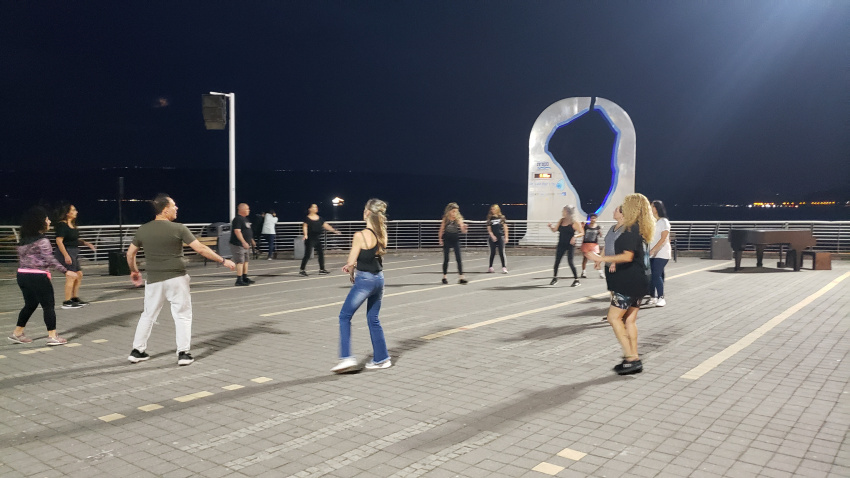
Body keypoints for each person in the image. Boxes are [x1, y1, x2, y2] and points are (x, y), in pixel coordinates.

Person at [126, 194, 236, 365]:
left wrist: (134, 271)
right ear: (165, 209)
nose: (176, 208)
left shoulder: (143, 229)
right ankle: (183, 354)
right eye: (174, 205)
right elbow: (200, 248)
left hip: (154, 279)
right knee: (182, 315)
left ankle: (137, 351)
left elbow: (130, 253)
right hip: (176, 277)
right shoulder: (178, 228)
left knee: (148, 315)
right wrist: (223, 260)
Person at [585, 193, 654, 375]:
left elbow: (627, 256)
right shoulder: (640, 228)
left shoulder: (630, 229)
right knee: (629, 319)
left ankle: (631, 358)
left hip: (628, 280)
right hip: (640, 279)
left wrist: (601, 257)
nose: (620, 207)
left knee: (613, 318)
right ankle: (633, 357)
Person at [331, 199, 392, 373]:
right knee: (373, 319)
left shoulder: (360, 235)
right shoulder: (381, 234)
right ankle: (382, 359)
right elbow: (370, 257)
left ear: (366, 213)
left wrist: (350, 269)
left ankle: (346, 358)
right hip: (379, 279)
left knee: (344, 316)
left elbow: (351, 261)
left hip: (365, 281)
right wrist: (353, 267)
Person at [9, 207, 78, 346]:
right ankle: (52, 336)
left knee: (30, 304)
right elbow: (50, 260)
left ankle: (17, 333)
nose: (49, 221)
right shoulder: (43, 241)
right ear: (40, 222)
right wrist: (66, 271)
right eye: (47, 219)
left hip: (22, 275)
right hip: (38, 277)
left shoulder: (23, 240)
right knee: (48, 306)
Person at [53, 204, 97, 309]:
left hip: (74, 251)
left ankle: (74, 298)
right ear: (67, 213)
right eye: (74, 210)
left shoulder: (72, 225)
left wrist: (86, 243)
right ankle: (67, 302)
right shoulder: (62, 225)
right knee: (71, 275)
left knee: (79, 274)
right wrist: (66, 255)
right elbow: (59, 241)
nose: (76, 212)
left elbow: (73, 240)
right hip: (65, 252)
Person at [300, 203, 341, 276]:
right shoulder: (307, 218)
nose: (316, 208)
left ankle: (322, 269)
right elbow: (305, 227)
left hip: (317, 238)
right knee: (307, 255)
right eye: (314, 207)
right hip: (310, 238)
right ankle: (302, 270)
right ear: (310, 209)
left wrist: (334, 231)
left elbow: (326, 225)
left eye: (316, 207)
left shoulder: (320, 218)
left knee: (321, 253)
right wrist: (305, 235)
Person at [548, 205, 583, 286]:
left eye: (563, 211)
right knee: (557, 261)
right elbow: (554, 230)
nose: (562, 212)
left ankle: (576, 280)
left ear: (567, 212)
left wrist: (575, 237)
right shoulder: (561, 220)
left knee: (570, 262)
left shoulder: (574, 222)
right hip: (561, 243)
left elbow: (581, 232)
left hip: (570, 245)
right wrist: (550, 226)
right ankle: (555, 278)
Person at [600, 205, 625, 320]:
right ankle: (614, 312)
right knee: (612, 289)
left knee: (619, 289)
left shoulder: (626, 229)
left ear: (622, 214)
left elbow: (623, 248)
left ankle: (620, 314)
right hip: (608, 264)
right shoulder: (612, 228)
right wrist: (600, 259)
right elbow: (607, 244)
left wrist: (615, 262)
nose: (613, 212)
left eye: (616, 210)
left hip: (618, 264)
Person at [648, 200, 672, 307]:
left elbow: (664, 238)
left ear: (656, 208)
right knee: (653, 274)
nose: (650, 208)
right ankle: (652, 296)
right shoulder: (653, 221)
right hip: (651, 253)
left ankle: (661, 297)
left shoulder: (664, 222)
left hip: (662, 253)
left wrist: (654, 249)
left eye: (652, 206)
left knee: (656, 274)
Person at [438, 202, 469, 284]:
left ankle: (461, 277)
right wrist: (440, 239)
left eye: (456, 211)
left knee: (459, 258)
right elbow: (441, 229)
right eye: (453, 211)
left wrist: (465, 228)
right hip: (447, 239)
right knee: (446, 259)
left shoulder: (459, 218)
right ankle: (444, 277)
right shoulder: (446, 218)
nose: (454, 213)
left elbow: (463, 230)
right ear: (449, 211)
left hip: (455, 239)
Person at [231, 203, 257, 286]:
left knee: (246, 261)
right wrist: (243, 242)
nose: (249, 210)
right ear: (241, 210)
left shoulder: (245, 219)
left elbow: (247, 231)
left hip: (246, 244)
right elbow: (237, 231)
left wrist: (251, 240)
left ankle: (245, 277)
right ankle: (239, 279)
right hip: (238, 244)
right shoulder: (237, 219)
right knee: (240, 261)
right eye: (247, 209)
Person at [486, 204, 509, 273]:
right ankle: (490, 267)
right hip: (492, 237)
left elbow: (505, 228)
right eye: (491, 209)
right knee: (492, 252)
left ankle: (504, 267)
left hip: (500, 236)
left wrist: (506, 237)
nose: (492, 210)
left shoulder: (502, 217)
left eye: (494, 209)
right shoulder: (490, 218)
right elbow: (489, 229)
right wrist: (492, 236)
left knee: (501, 252)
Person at [580, 213, 604, 279]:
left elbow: (600, 235)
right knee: (585, 258)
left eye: (594, 218)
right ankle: (583, 272)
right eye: (592, 218)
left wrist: (600, 231)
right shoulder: (586, 226)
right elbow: (582, 233)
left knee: (596, 258)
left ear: (596, 219)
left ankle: (600, 273)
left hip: (594, 244)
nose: (593, 219)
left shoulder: (597, 227)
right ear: (590, 219)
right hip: (586, 244)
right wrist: (581, 226)